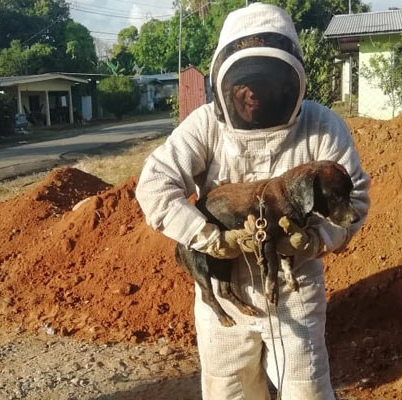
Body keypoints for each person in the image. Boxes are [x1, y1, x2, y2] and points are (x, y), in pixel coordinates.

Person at [136, 3, 370, 399]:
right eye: (244, 82)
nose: (252, 93)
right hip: (223, 294)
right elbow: (154, 184)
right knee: (231, 391)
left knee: (306, 389)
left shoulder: (320, 125)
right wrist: (210, 238)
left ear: (289, 81)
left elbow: (355, 197)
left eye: (264, 82)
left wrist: (315, 242)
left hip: (295, 287)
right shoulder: (206, 125)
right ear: (223, 81)